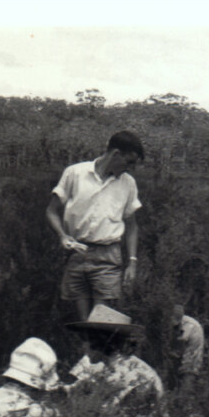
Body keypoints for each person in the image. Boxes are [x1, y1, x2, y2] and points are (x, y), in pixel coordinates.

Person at [46, 131, 145, 321]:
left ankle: (96, 349)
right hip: (76, 254)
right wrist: (62, 236)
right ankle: (86, 350)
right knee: (83, 321)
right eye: (129, 162)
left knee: (101, 320)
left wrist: (132, 261)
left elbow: (132, 226)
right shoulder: (75, 173)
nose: (130, 168)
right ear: (116, 154)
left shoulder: (128, 183)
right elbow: (51, 211)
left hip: (108, 256)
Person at [65, 305, 164, 408]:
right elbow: (69, 391)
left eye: (86, 339)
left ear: (101, 342)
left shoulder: (138, 375)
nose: (82, 346)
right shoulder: (98, 365)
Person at [169, 304, 204, 387]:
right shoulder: (182, 322)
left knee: (188, 375)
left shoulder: (188, 326)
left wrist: (172, 352)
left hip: (192, 355)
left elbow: (181, 341)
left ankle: (185, 396)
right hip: (186, 353)